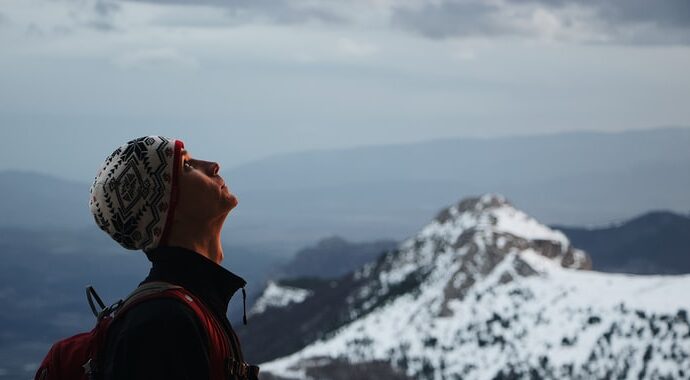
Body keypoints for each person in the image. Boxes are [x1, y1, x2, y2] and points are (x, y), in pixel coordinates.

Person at [89, 136, 258, 379]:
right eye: (187, 166)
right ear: (169, 209)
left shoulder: (181, 309)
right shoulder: (162, 324)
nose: (213, 165)